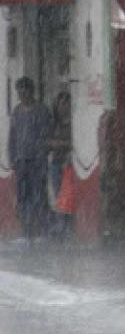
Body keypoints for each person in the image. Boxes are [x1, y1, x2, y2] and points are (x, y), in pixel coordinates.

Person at [7, 77, 52, 244]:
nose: (22, 95)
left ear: (31, 91)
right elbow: (12, 136)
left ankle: (42, 232)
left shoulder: (42, 111)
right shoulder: (17, 111)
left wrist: (41, 154)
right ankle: (26, 233)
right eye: (19, 91)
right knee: (22, 198)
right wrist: (12, 157)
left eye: (24, 91)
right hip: (21, 162)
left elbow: (46, 136)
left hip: (37, 162)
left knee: (39, 196)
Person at [46, 91, 74, 242]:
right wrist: (56, 144)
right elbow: (47, 141)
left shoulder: (74, 123)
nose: (64, 107)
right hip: (56, 163)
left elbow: (74, 143)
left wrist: (61, 144)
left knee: (68, 195)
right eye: (61, 104)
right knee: (58, 195)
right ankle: (60, 226)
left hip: (69, 164)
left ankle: (68, 227)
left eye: (66, 103)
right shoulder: (53, 124)